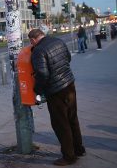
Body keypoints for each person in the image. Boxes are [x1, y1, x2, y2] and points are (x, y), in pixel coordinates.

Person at [29, 29, 85, 166]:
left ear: (33, 40)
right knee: (72, 118)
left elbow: (42, 74)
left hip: (55, 91)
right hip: (69, 84)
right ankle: (79, 149)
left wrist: (37, 90)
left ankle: (69, 156)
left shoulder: (38, 50)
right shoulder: (58, 41)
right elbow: (68, 58)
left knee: (61, 123)